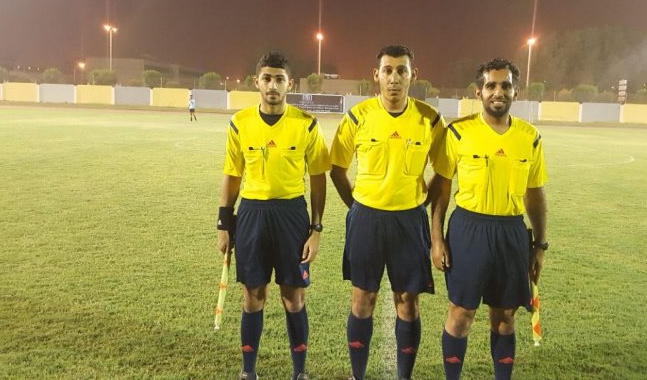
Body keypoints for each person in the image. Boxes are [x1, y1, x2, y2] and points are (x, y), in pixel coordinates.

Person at [329, 45, 446, 380]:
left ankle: (404, 376)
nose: (394, 78)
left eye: (401, 71)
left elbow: (444, 172)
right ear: (376, 75)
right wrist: (357, 206)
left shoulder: (430, 119)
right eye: (388, 70)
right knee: (362, 298)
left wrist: (423, 199)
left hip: (410, 221)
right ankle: (357, 375)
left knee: (408, 301)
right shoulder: (358, 116)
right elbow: (337, 169)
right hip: (366, 219)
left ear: (413, 75)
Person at [429, 58, 549, 380]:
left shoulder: (530, 137)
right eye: (491, 85)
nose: (499, 92)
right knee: (461, 314)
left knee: (505, 317)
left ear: (515, 91)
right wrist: (437, 239)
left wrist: (539, 246)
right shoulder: (458, 132)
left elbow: (535, 194)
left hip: (511, 233)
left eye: (506, 86)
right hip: (468, 230)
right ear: (478, 91)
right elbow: (441, 189)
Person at [217, 52, 331, 380]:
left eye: (279, 79)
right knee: (253, 295)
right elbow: (232, 175)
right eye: (267, 78)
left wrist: (316, 229)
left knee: (293, 296)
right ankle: (248, 372)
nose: (272, 85)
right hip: (251, 215)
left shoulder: (306, 124)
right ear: (257, 82)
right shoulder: (240, 123)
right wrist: (224, 222)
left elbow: (318, 178)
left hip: (292, 216)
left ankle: (300, 372)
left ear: (289, 84)